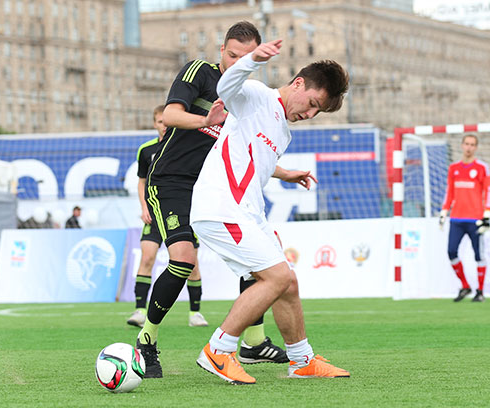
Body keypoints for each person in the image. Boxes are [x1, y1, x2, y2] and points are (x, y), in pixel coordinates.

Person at [190, 39, 351, 384]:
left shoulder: (282, 130)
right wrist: (251, 59)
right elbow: (226, 86)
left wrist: (285, 172)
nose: (309, 115)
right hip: (221, 207)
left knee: (287, 282)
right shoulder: (256, 95)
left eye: (318, 112)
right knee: (276, 277)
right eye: (312, 104)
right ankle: (218, 350)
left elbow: (252, 156)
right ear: (298, 83)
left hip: (248, 212)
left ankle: (302, 360)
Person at [136, 22, 291, 379]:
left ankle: (253, 342)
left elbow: (251, 151)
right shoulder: (199, 72)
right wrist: (206, 119)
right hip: (172, 181)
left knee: (257, 257)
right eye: (232, 55)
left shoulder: (248, 94)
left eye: (246, 58)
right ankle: (147, 339)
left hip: (212, 187)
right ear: (222, 50)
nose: (237, 62)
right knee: (183, 260)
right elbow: (170, 115)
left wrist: (286, 173)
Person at [126, 105, 208, 329]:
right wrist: (144, 207)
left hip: (181, 212)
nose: (164, 125)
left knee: (191, 263)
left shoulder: (186, 148)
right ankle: (140, 310)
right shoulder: (146, 150)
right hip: (154, 213)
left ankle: (195, 313)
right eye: (160, 122)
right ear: (155, 124)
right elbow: (142, 181)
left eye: (166, 121)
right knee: (147, 258)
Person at [439, 134, 490, 303]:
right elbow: (450, 192)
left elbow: (489, 191)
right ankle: (465, 285)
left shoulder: (482, 168)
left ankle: (480, 291)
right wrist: (444, 211)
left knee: (479, 255)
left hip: (475, 219)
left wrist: (487, 213)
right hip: (456, 219)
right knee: (451, 251)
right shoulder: (453, 168)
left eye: (472, 144)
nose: (469, 147)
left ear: (476, 148)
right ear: (462, 145)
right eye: (467, 144)